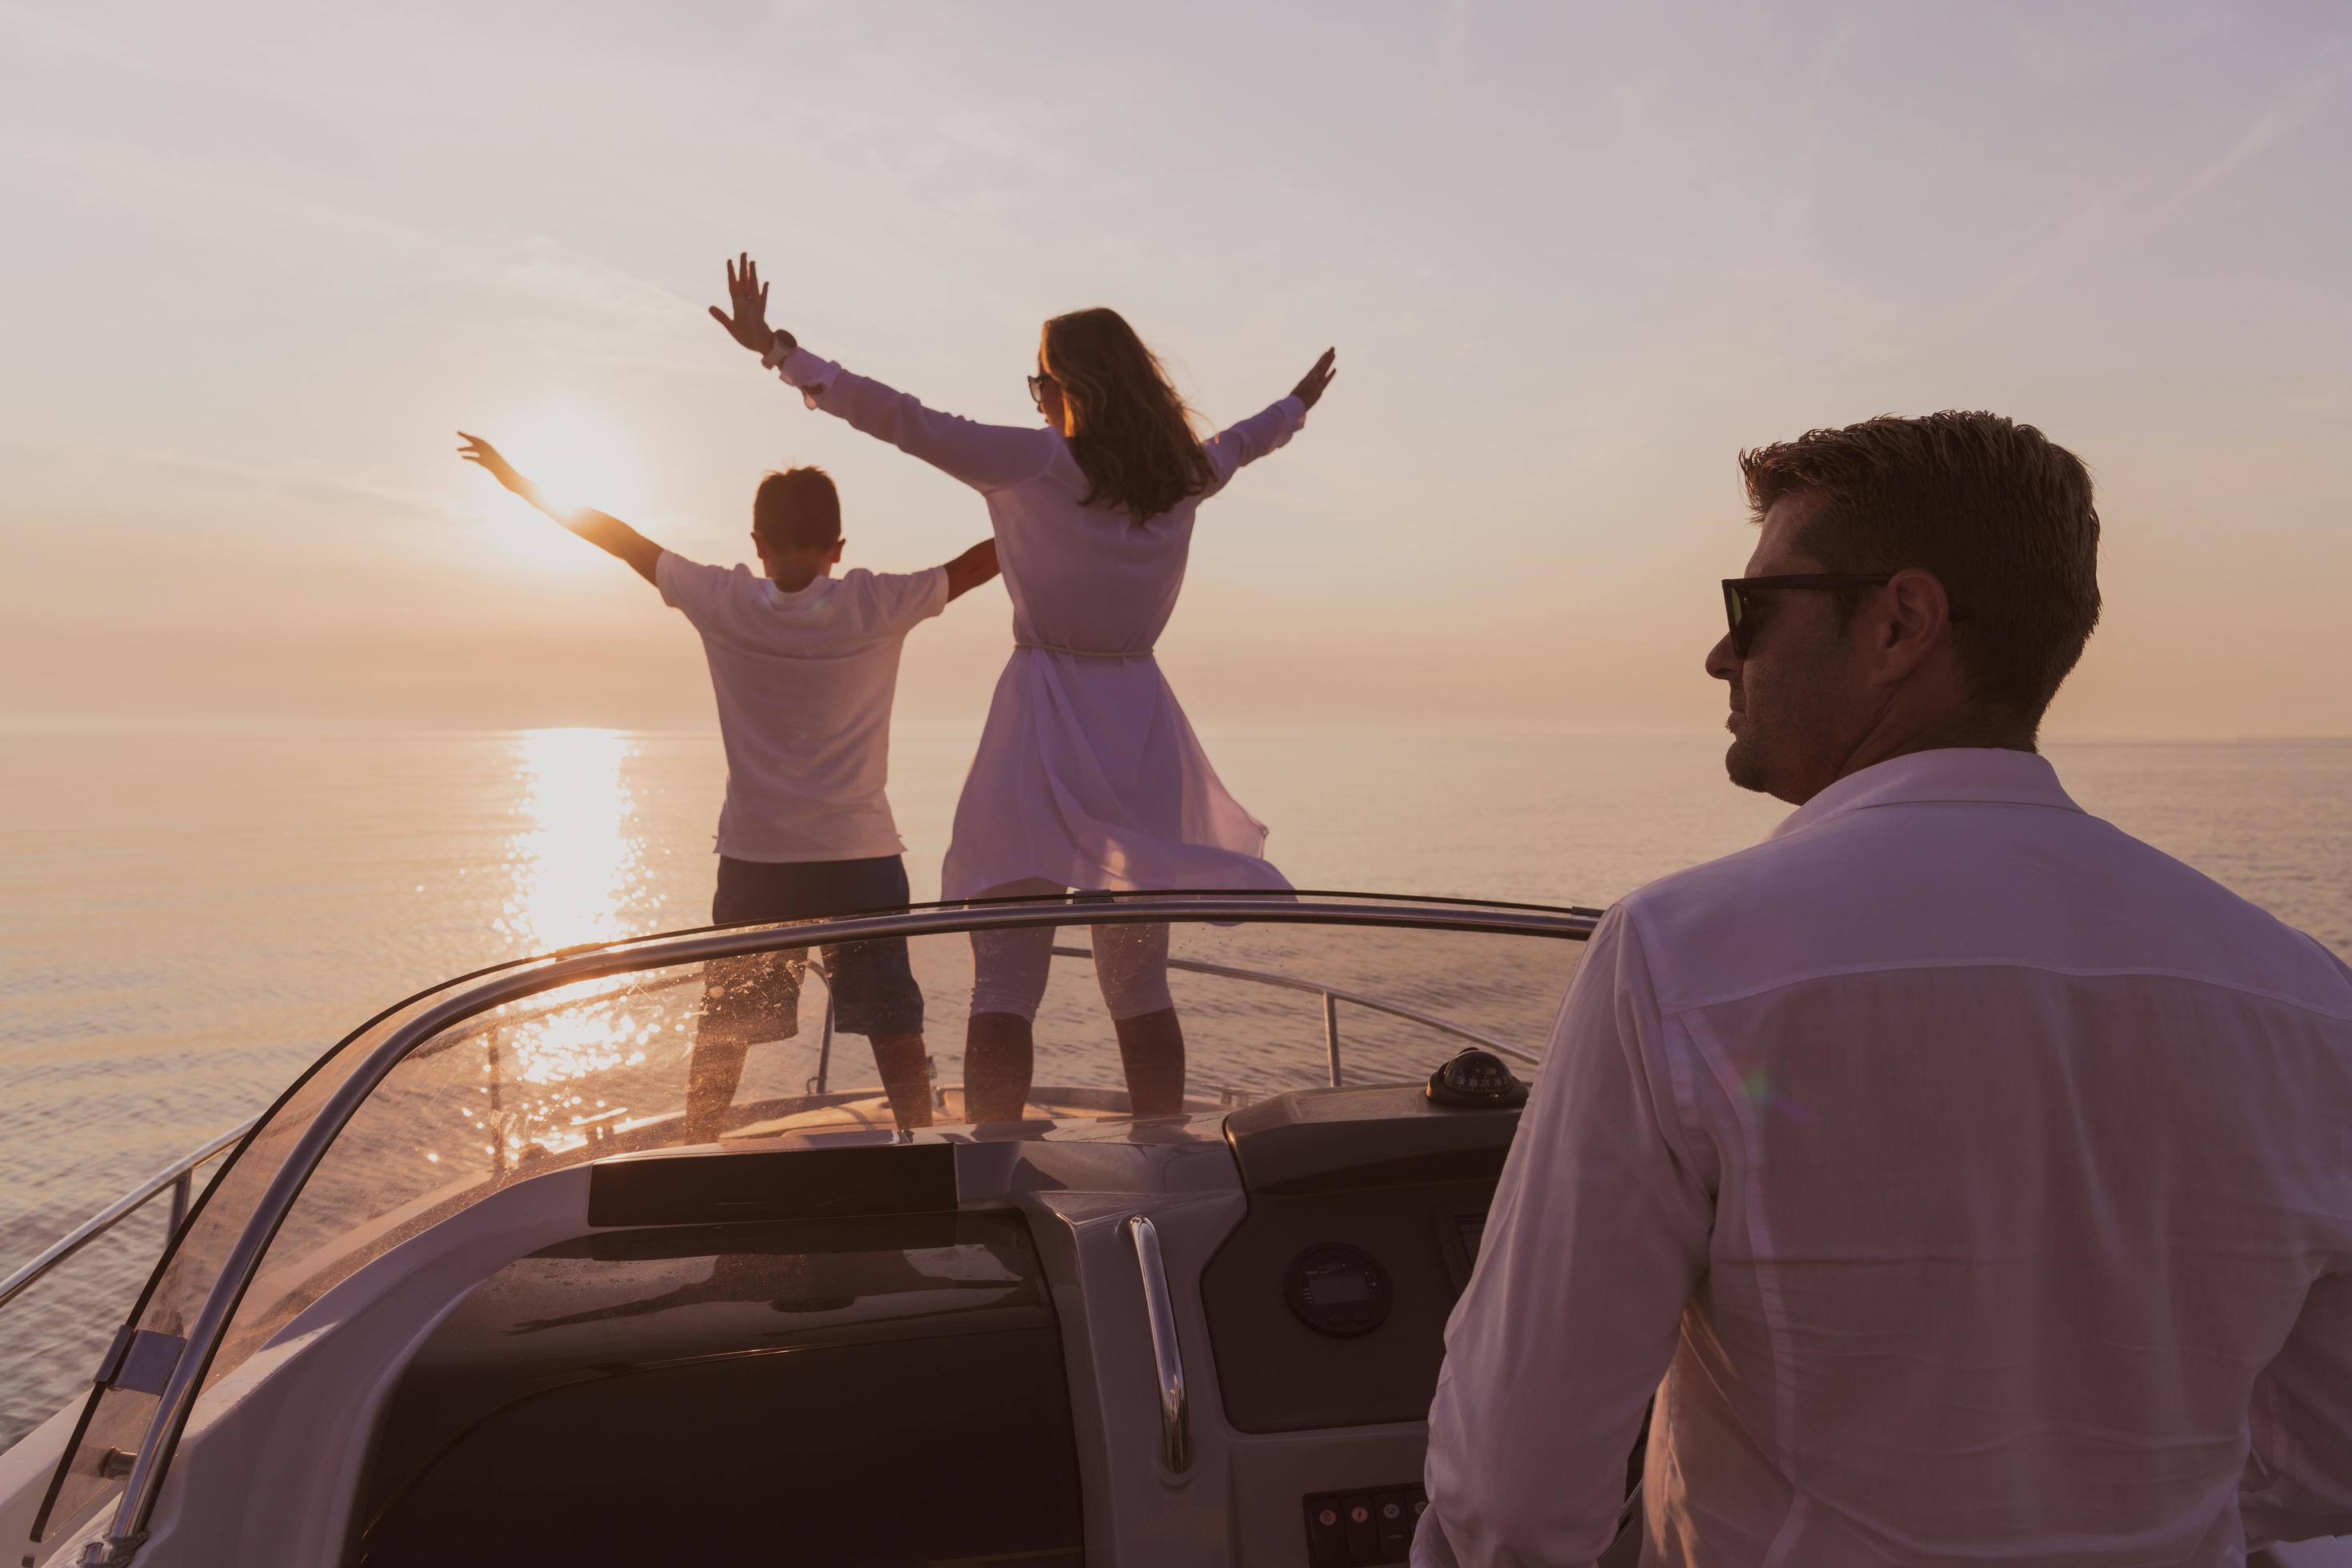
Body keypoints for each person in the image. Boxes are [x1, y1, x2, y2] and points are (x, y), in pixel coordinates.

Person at [1418, 413, 2352, 1566]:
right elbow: (2331, 1451)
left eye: (1750, 609)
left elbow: (1513, 1489)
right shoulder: (2306, 999)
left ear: (1900, 622)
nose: (1722, 656)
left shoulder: (1682, 959)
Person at [708, 254, 1337, 1122]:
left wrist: (779, 352)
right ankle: (1159, 1154)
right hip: (1140, 728)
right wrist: (1298, 405)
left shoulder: (1035, 463)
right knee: (1139, 985)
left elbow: (896, 416)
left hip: (1042, 722)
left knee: (1005, 980)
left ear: (1067, 386)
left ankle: (993, 1168)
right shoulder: (1182, 474)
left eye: (1040, 379)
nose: (1034, 395)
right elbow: (1248, 440)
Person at [457, 435, 998, 1131]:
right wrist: (1063, 509)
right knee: (893, 1017)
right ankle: (918, 1146)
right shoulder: (877, 603)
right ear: (838, 546)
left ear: (759, 543)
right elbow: (979, 564)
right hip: (859, 858)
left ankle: (696, 1150)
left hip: (758, 861)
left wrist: (521, 482)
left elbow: (622, 541)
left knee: (726, 1026)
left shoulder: (725, 600)